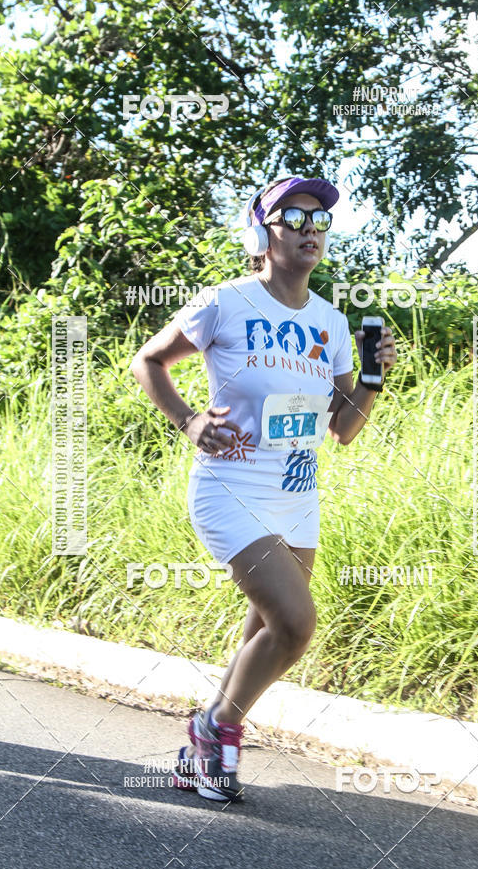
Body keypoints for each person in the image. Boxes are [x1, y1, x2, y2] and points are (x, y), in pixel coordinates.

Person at [130, 175, 397, 802]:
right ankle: (217, 730)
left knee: (265, 628)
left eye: (319, 220)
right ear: (260, 233)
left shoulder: (331, 322)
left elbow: (343, 429)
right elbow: (149, 361)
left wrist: (372, 378)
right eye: (293, 217)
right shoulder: (225, 302)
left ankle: (202, 743)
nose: (310, 229)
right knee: (296, 625)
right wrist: (190, 421)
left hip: (297, 493)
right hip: (231, 486)